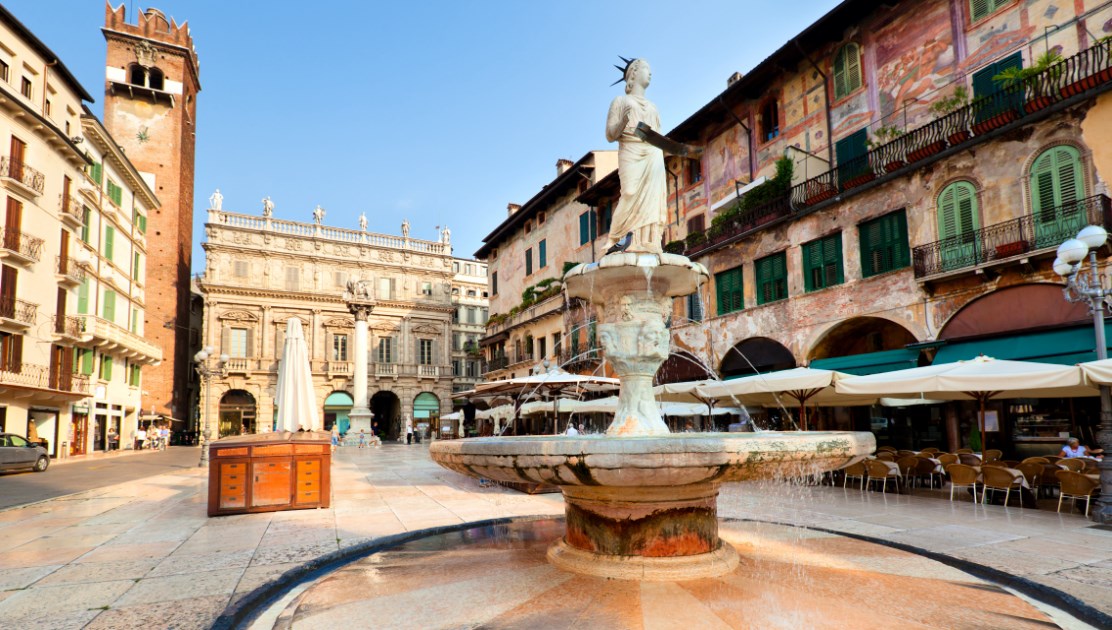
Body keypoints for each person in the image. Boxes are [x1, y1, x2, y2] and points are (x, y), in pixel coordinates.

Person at [604, 58, 667, 254]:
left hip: (652, 154)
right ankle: (614, 239)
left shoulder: (653, 107)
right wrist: (623, 121)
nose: (650, 73)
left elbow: (657, 136)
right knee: (629, 193)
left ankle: (649, 240)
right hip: (631, 150)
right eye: (646, 68)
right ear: (633, 73)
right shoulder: (620, 101)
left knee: (653, 198)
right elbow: (610, 135)